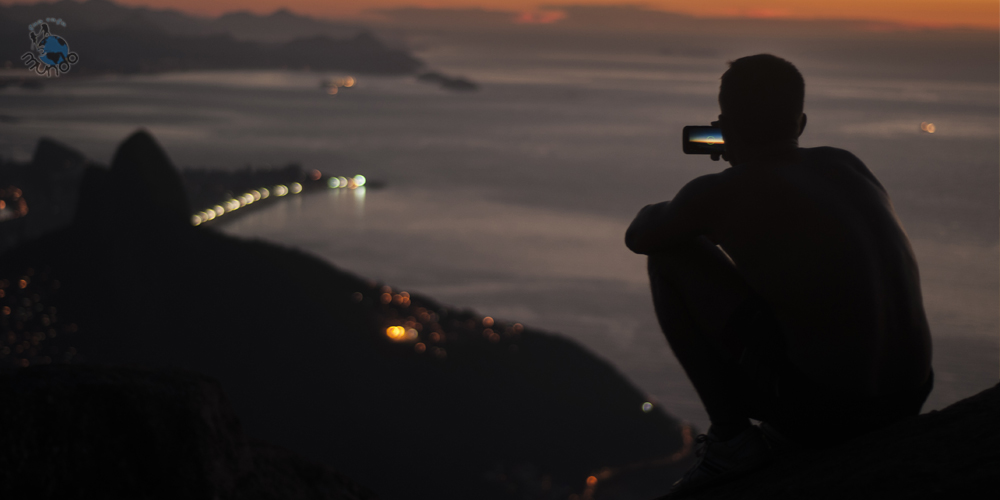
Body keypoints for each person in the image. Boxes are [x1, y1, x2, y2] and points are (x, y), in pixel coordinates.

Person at [624, 54, 933, 495]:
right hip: (910, 397)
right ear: (801, 123)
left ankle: (731, 441)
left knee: (671, 255)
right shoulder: (847, 164)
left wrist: (704, 203)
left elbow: (640, 236)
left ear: (723, 125)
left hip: (831, 416)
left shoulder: (719, 192)